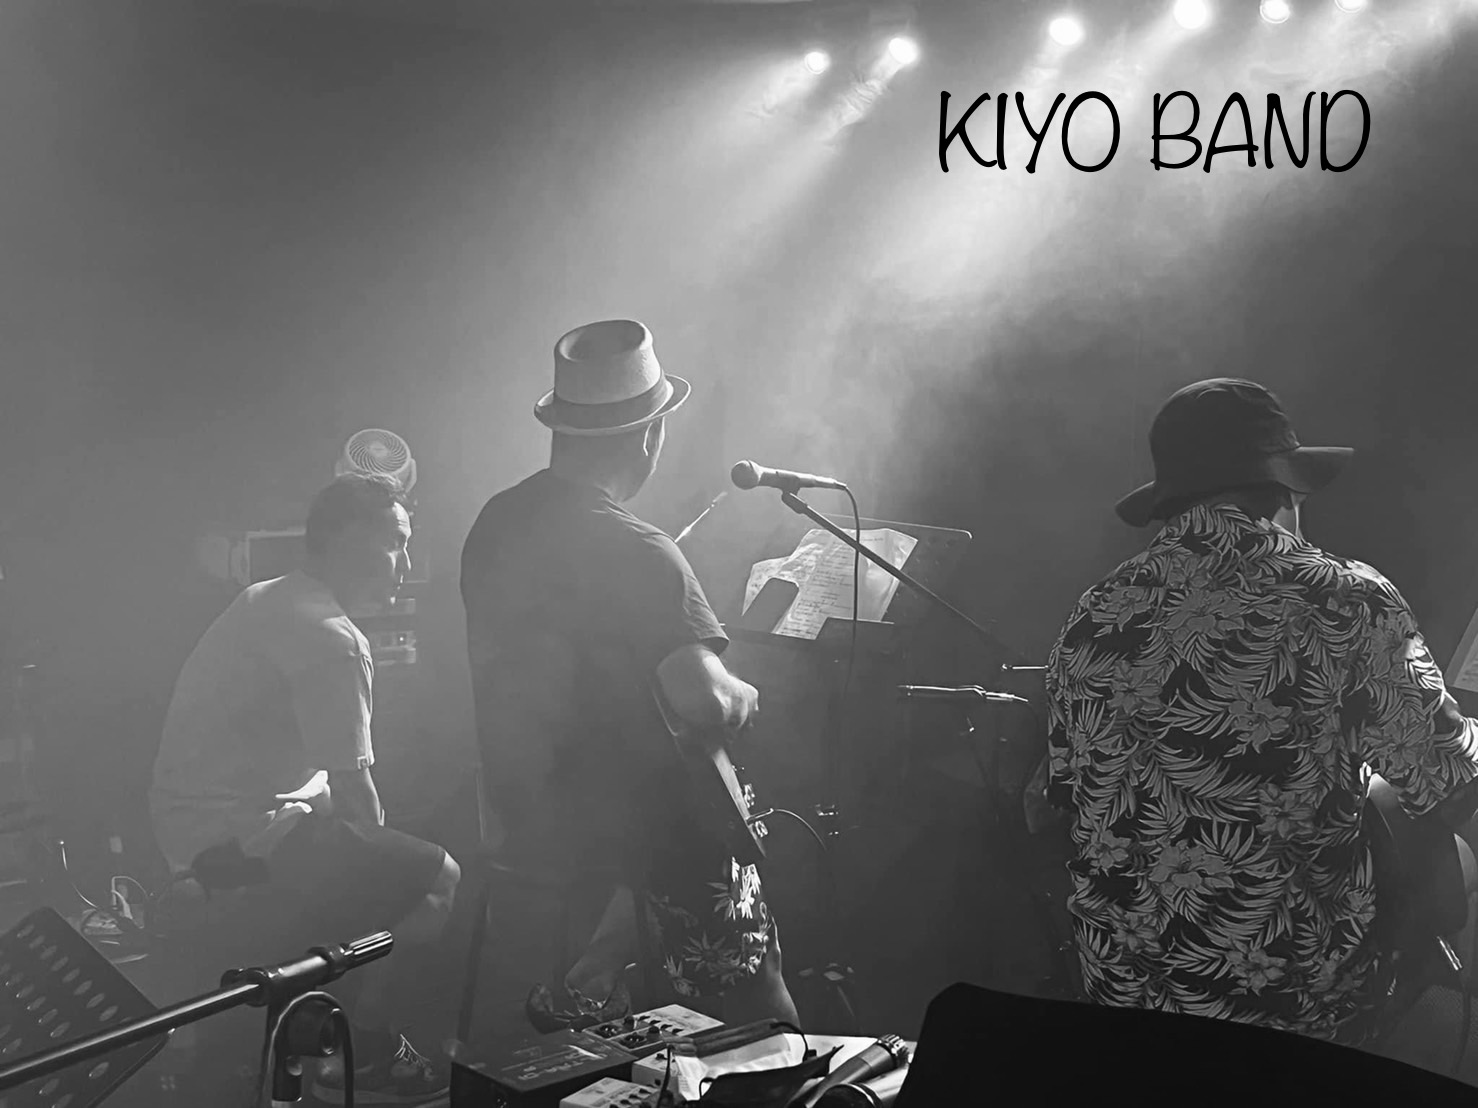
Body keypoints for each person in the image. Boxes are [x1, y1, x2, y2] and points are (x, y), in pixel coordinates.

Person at [1043, 378, 1478, 1047]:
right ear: (1287, 492)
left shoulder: (1094, 611)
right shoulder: (1343, 597)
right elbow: (1448, 781)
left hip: (1122, 992)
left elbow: (1068, 791)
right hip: (1282, 1004)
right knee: (1453, 865)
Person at [460, 318, 797, 1028]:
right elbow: (704, 702)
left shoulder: (496, 522)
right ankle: (740, 1038)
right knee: (760, 1003)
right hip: (638, 838)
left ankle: (599, 973)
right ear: (649, 436)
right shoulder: (640, 550)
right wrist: (744, 692)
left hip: (531, 819)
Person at [150, 473, 460, 1105]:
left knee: (383, 851)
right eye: (395, 543)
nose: (405, 565)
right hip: (242, 840)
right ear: (345, 540)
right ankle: (361, 1053)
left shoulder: (268, 596)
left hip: (186, 824)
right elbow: (356, 797)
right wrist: (385, 873)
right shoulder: (332, 638)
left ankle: (313, 1027)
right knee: (438, 880)